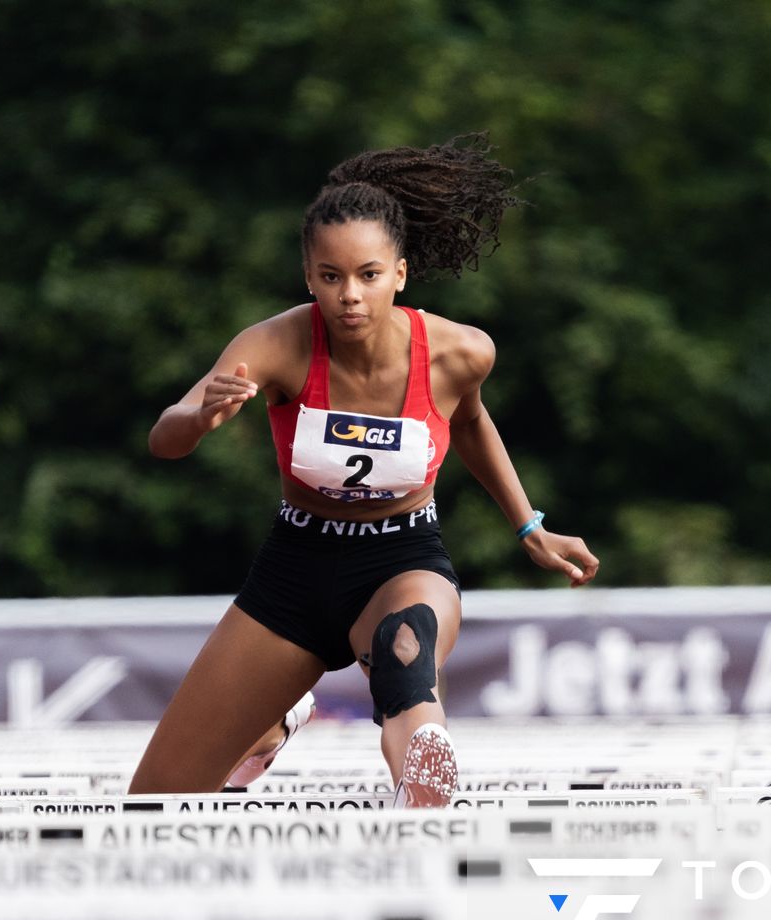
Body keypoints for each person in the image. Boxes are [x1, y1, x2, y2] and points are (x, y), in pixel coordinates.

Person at [129, 136, 597, 804]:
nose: (350, 296)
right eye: (331, 277)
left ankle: (424, 788)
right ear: (308, 274)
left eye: (368, 276)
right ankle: (271, 723)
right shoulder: (276, 345)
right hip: (294, 572)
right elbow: (163, 439)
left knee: (404, 654)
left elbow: (468, 423)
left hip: (401, 561)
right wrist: (198, 416)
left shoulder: (460, 353)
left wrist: (531, 527)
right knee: (156, 803)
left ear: (400, 274)